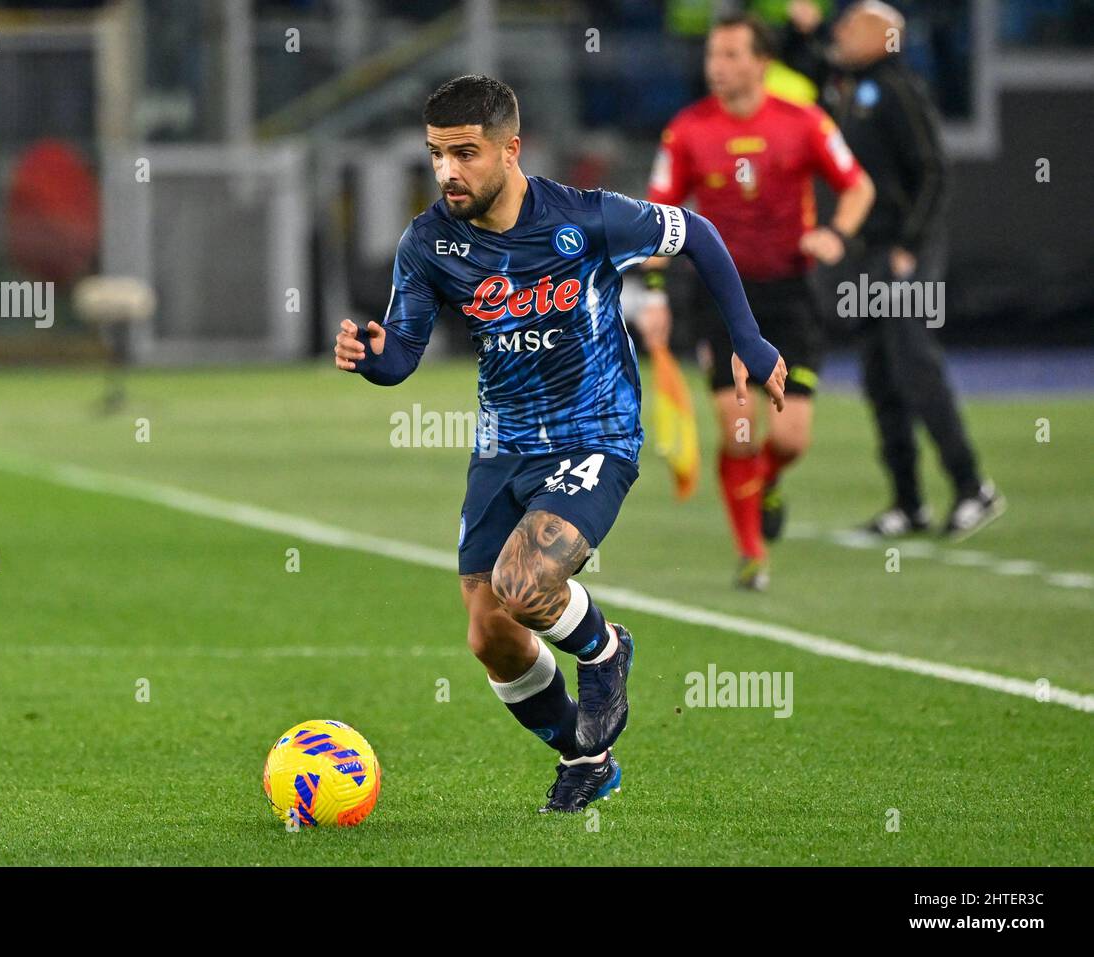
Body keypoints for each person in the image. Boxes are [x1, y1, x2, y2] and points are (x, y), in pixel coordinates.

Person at [333, 75, 787, 813]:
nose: (447, 171)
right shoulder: (428, 243)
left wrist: (748, 338)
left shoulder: (586, 218)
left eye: (465, 154)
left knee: (523, 585)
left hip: (596, 435)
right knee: (491, 636)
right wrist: (371, 354)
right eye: (436, 154)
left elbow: (696, 234)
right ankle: (588, 754)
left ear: (511, 151)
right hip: (501, 448)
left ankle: (607, 650)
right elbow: (401, 357)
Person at [638, 13, 875, 590]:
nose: (716, 67)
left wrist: (836, 236)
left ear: (761, 62)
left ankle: (764, 484)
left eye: (730, 55)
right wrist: (655, 295)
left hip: (791, 293)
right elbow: (658, 216)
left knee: (790, 437)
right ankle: (752, 554)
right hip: (721, 298)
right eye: (712, 56)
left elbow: (858, 186)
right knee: (740, 429)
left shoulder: (805, 123)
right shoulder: (687, 131)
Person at [785, 0, 1005, 538]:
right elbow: (809, 68)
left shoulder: (897, 88)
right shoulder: (849, 86)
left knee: (914, 363)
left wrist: (911, 244)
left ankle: (974, 486)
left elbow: (933, 169)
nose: (842, 30)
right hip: (869, 255)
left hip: (904, 254)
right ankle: (909, 502)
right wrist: (807, 32)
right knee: (881, 372)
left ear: (885, 38)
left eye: (854, 24)